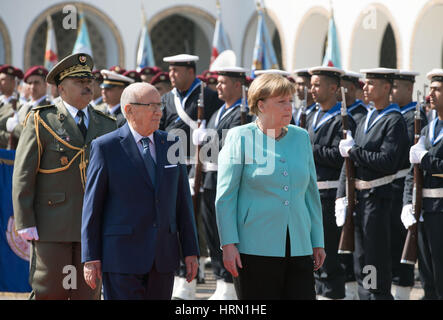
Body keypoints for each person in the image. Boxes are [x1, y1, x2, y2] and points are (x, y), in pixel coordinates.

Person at [12, 53, 117, 300]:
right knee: (50, 290)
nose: (87, 85)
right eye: (79, 80)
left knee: (87, 292)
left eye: (89, 80)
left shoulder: (107, 124)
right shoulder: (42, 119)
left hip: (93, 226)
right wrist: (24, 220)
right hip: (52, 224)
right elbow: (24, 173)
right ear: (61, 88)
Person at [81, 82, 200, 300]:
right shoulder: (105, 147)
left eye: (160, 105)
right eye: (151, 106)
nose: (158, 112)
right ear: (129, 110)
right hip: (121, 257)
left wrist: (191, 250)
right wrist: (90, 256)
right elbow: (92, 207)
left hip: (163, 256)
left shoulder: (172, 143)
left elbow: (183, 203)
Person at [215, 73, 325, 300]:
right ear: (261, 105)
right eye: (281, 102)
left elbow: (311, 194)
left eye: (290, 102)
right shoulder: (240, 137)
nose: (289, 107)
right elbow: (226, 196)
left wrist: (317, 241)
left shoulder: (301, 137)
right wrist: (228, 244)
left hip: (299, 245)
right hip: (253, 247)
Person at [337, 68, 409, 300]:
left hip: (379, 199)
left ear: (386, 88)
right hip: (360, 199)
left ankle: (377, 296)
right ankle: (365, 295)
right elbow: (348, 166)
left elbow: (387, 162)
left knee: (375, 258)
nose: (364, 88)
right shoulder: (367, 117)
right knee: (361, 257)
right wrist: (342, 195)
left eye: (370, 84)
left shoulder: (394, 120)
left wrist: (355, 152)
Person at [160, 54, 222, 299]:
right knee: (176, 227)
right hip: (174, 167)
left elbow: (220, 135)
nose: (172, 75)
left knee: (200, 226)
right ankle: (181, 278)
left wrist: (206, 140)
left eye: (176, 70)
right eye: (170, 70)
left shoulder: (209, 96)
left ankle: (201, 276)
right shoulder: (167, 98)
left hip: (201, 168)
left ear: (190, 71)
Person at [192, 66, 251, 300]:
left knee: (227, 230)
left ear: (238, 85)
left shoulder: (244, 113)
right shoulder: (218, 112)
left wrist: (208, 139)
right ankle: (220, 280)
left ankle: (230, 282)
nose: (218, 86)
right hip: (211, 176)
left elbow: (235, 145)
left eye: (223, 82)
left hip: (230, 177)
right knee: (212, 229)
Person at [308, 66, 356, 300]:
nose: (312, 89)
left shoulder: (344, 120)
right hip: (309, 194)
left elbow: (341, 157)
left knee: (327, 252)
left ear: (334, 88)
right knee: (311, 250)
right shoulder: (311, 115)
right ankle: (318, 291)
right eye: (312, 84)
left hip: (328, 195)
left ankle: (332, 294)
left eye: (317, 84)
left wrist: (310, 149)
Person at [402, 69, 443, 300]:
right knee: (427, 275)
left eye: (437, 90)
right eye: (431, 90)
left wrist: (426, 158)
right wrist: (408, 202)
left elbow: (423, 162)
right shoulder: (427, 129)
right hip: (424, 209)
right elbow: (412, 172)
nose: (431, 95)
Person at [389, 70, 428, 299]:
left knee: (405, 242)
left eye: (395, 86)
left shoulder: (415, 115)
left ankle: (404, 289)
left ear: (408, 88)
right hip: (394, 187)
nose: (392, 91)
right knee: (393, 243)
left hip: (406, 185)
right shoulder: (395, 114)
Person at [6, 66, 52, 141]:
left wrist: (15, 127)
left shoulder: (48, 107)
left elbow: (36, 135)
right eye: (29, 83)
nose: (32, 87)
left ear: (45, 84)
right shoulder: (23, 106)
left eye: (36, 83)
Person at [0, 65, 23, 148]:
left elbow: (15, 137)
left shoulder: (20, 106)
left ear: (13, 82)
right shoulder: (1, 102)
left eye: (3, 80)